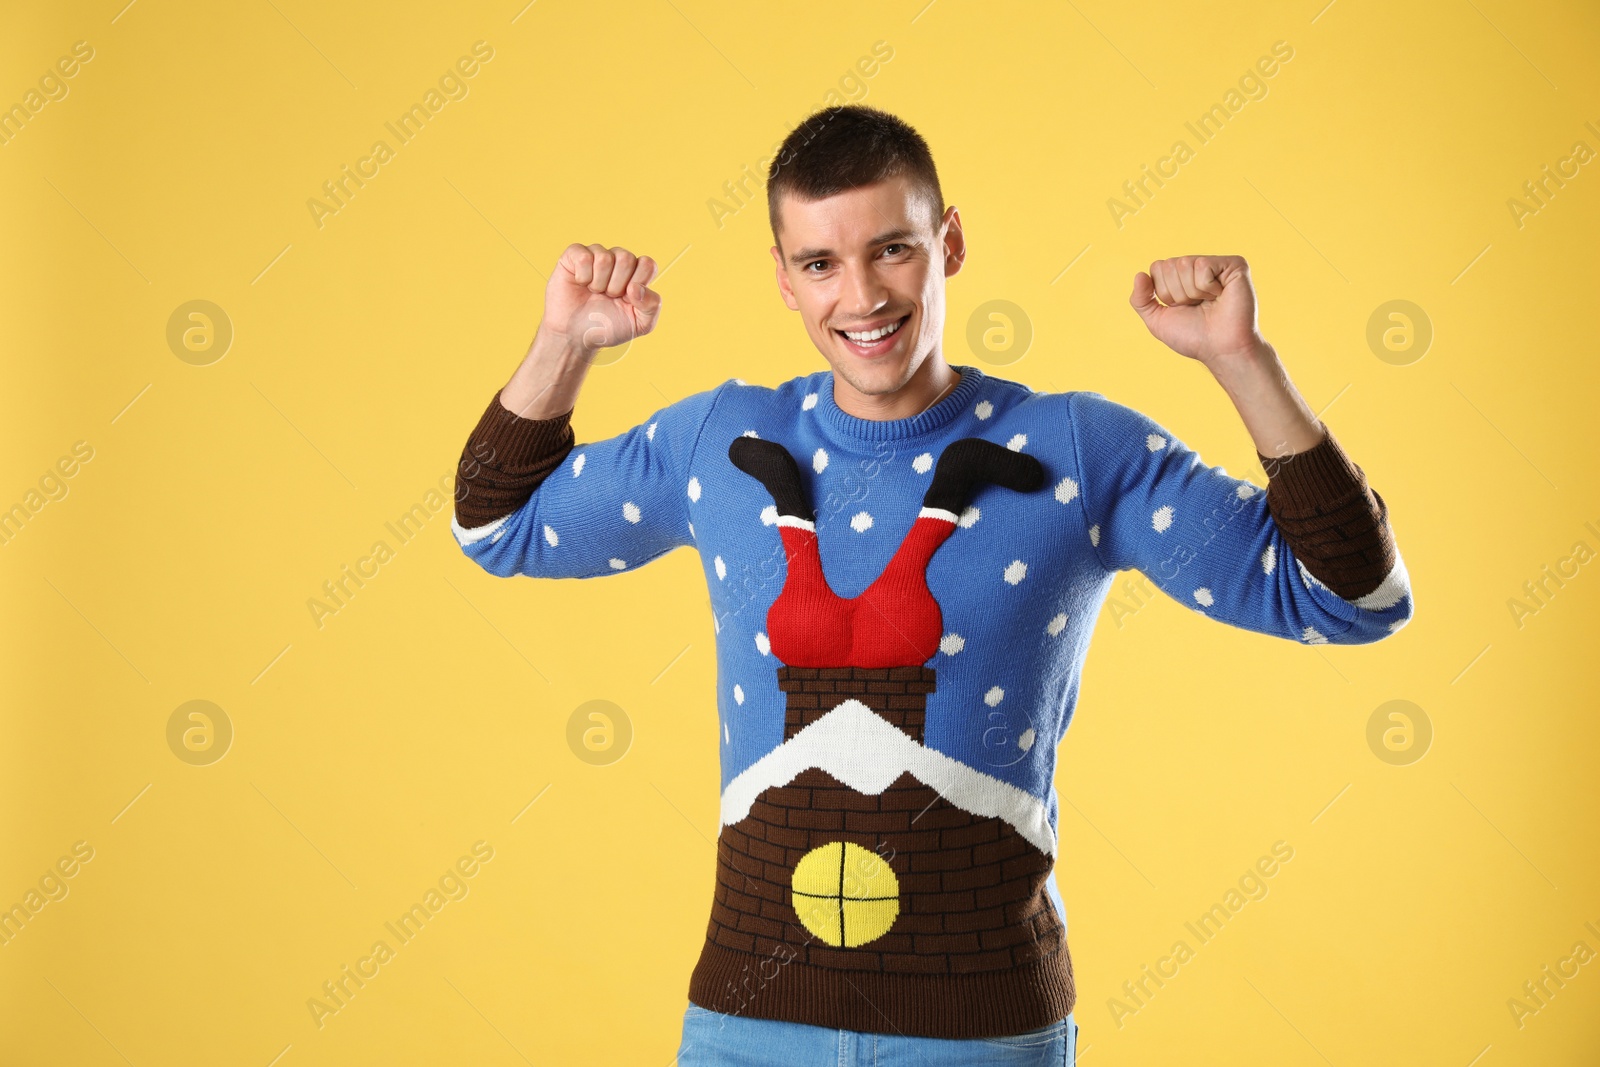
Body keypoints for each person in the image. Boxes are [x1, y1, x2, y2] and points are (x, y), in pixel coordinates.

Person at [450, 105, 1411, 1067]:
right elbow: (496, 526)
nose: (861, 295)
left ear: (949, 243)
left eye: (893, 249)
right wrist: (567, 343)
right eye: (821, 263)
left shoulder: (1074, 449)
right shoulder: (723, 443)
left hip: (983, 1038)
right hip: (748, 1030)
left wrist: (1242, 362)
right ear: (784, 279)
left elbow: (1349, 598)